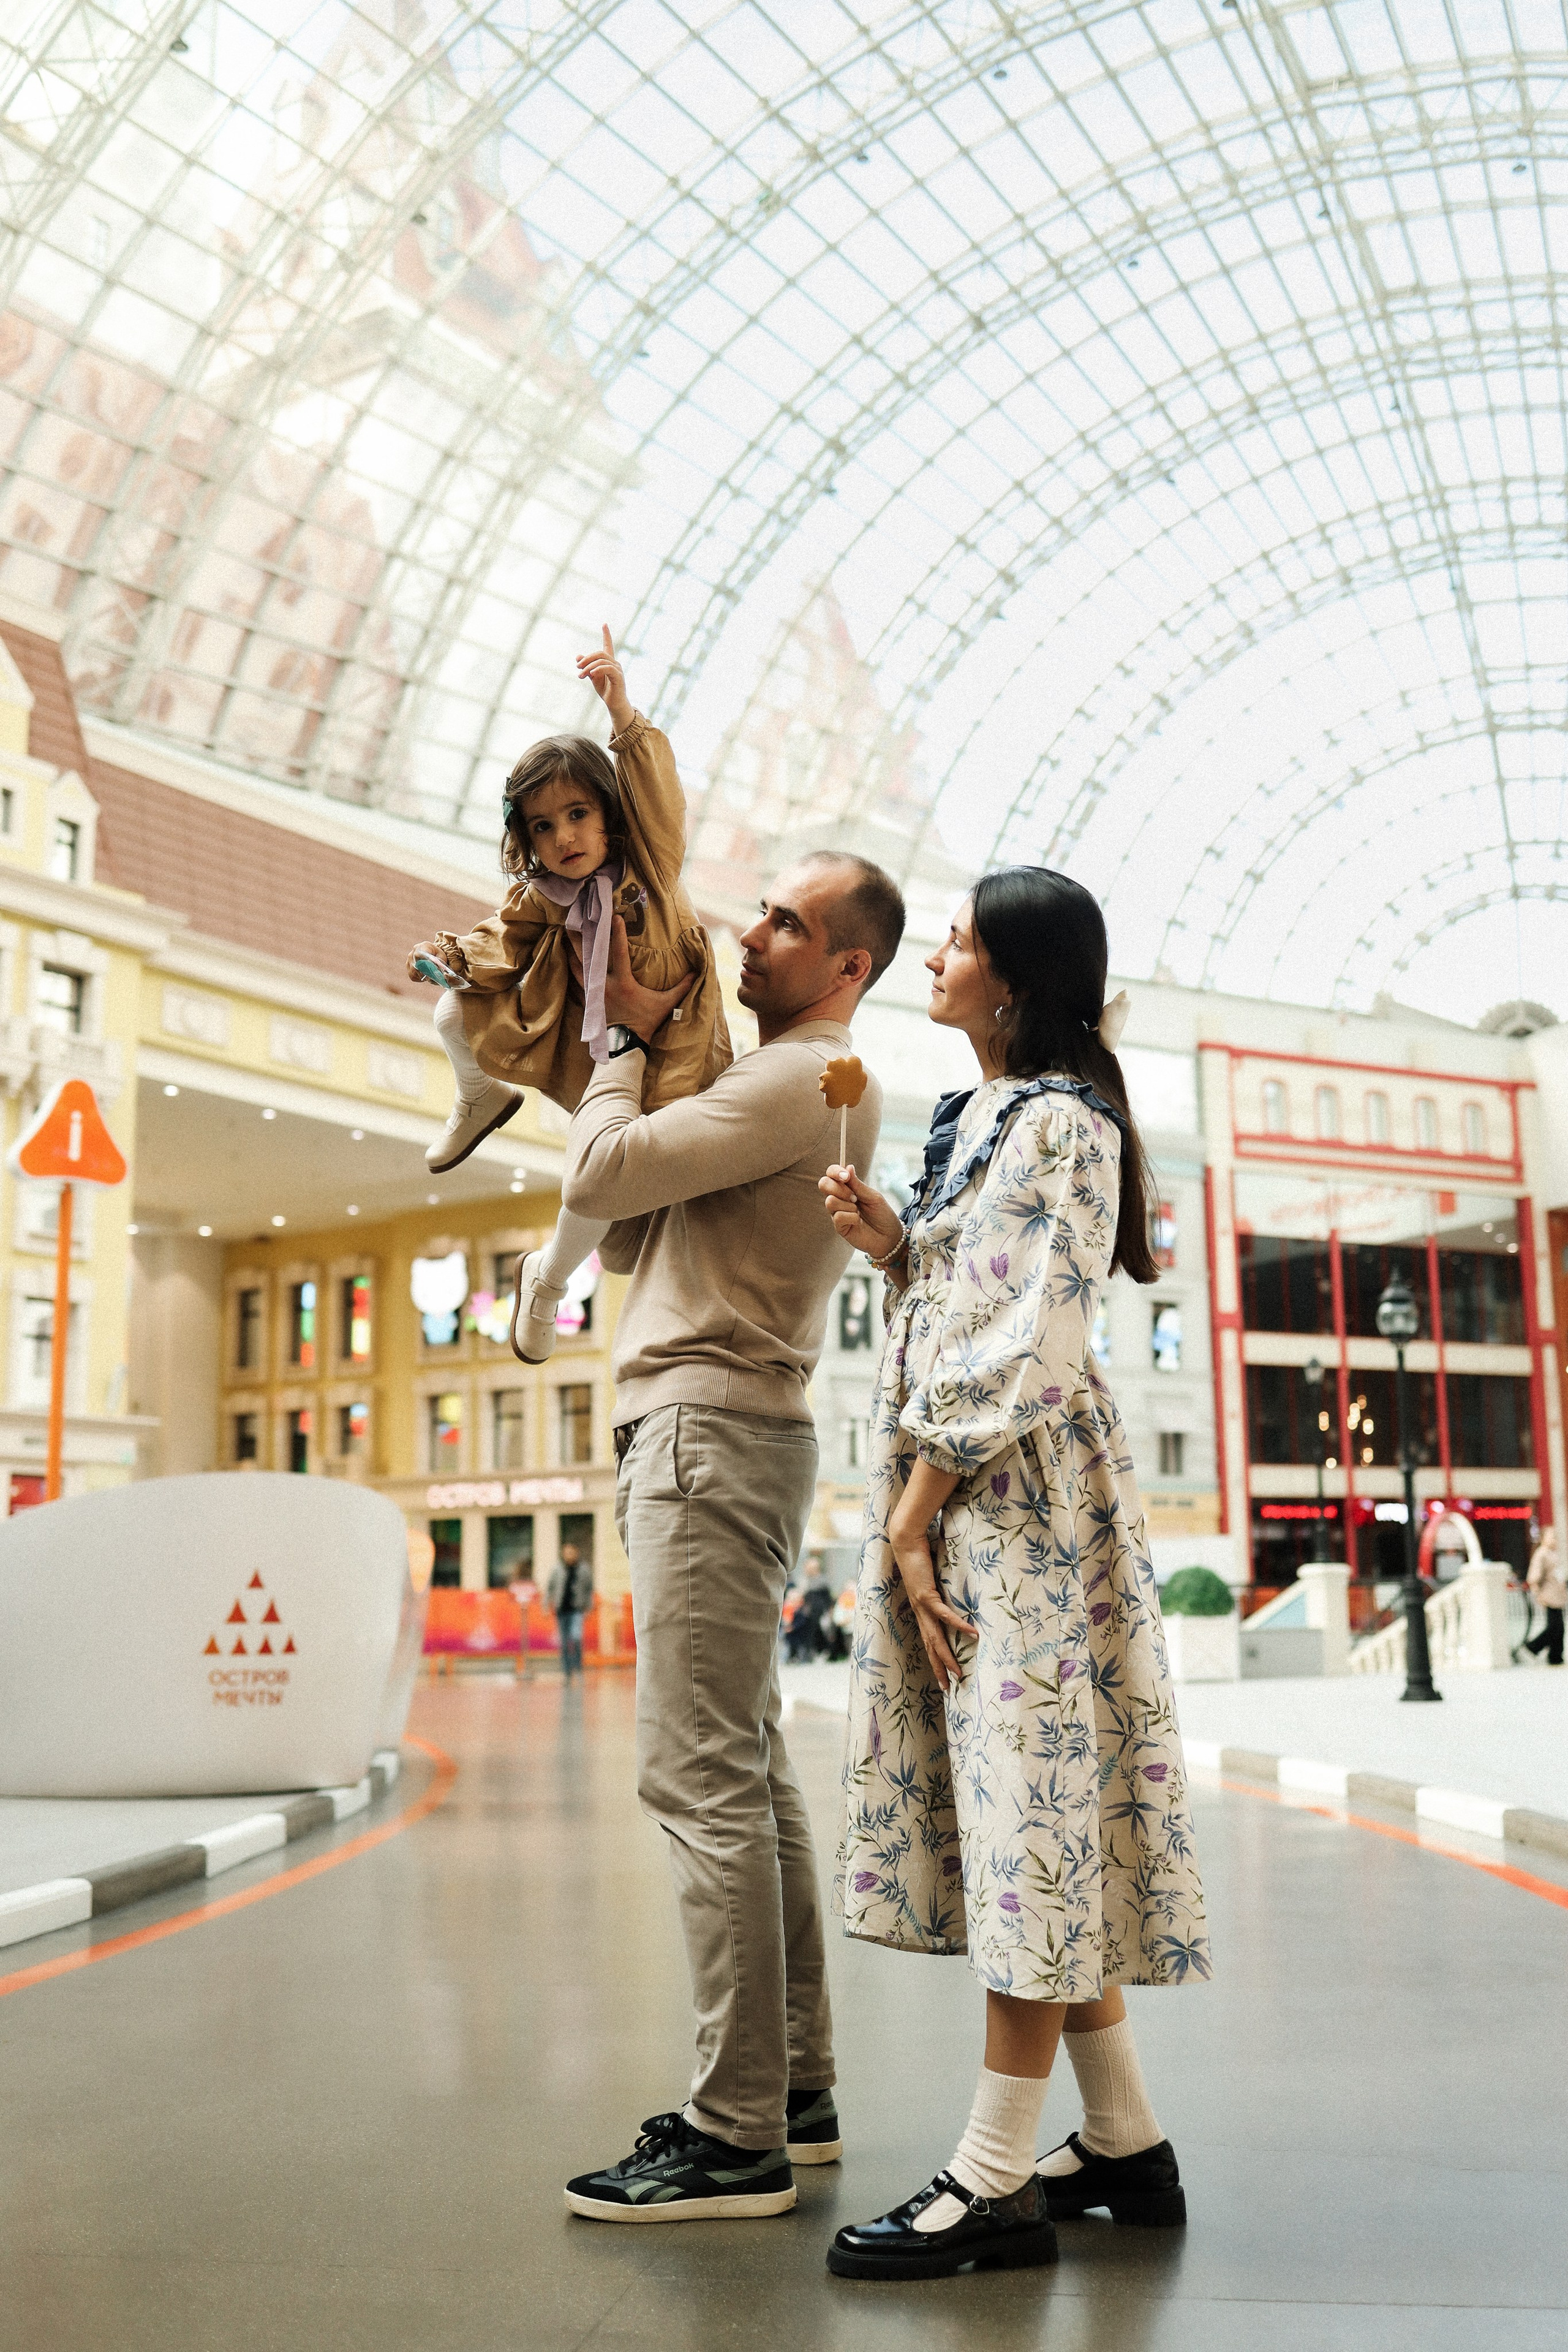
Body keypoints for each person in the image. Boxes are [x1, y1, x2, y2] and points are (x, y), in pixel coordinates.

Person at [818, 867, 1210, 2283]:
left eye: (964, 939)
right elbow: (971, 1293)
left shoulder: (1059, 1120)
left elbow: (1029, 1341)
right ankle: (1119, 2139)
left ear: (1018, 979)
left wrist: (914, 1511)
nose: (940, 952)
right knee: (1028, 1804)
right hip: (979, 1494)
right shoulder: (996, 1118)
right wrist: (894, 1246)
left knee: (1028, 1808)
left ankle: (990, 2176)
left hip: (1008, 1504)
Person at [556, 850, 905, 2226]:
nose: (750, 933)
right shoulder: (776, 1087)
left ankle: (731, 2133)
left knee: (696, 1779)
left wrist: (622, 1046)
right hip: (728, 1436)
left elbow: (603, 1171)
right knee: (747, 1776)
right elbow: (640, 1233)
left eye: (788, 923)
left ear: (846, 970)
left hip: (703, 1438)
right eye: (760, 908)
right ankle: (790, 2092)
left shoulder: (801, 1079)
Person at [405, 628, 731, 1364]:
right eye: (544, 826)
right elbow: (501, 938)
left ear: (611, 813)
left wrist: (622, 714)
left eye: (578, 814)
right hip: (592, 1045)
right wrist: (447, 957)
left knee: (601, 1188)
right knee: (453, 1009)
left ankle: (547, 1282)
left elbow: (658, 796)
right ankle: (478, 1100)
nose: (564, 837)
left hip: (668, 1050)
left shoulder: (652, 860)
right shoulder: (545, 894)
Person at [547, 1540, 594, 1680]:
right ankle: (567, 1672)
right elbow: (550, 1588)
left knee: (576, 1638)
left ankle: (578, 1668)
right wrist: (547, 1605)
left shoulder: (584, 1569)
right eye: (566, 1552)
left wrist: (588, 1608)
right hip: (562, 1610)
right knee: (565, 1641)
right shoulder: (557, 1569)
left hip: (577, 1610)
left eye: (572, 1552)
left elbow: (589, 1589)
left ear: (576, 1553)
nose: (569, 1555)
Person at [1526, 1526, 1564, 1665]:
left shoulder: (1555, 1554)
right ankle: (1532, 1647)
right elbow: (1534, 1578)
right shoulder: (1541, 1554)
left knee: (1559, 1628)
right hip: (1549, 1596)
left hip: (1558, 1596)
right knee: (1555, 1627)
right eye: (1551, 1536)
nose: (1555, 1539)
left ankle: (1556, 1656)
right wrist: (1538, 1595)